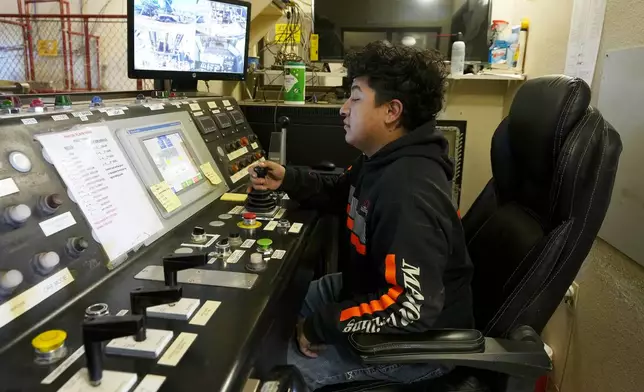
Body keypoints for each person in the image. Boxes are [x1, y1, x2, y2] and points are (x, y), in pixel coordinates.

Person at [248, 41, 474, 390]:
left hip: (414, 345)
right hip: (366, 288)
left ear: (391, 111)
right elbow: (341, 191)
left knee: (273, 374)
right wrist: (288, 178)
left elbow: (411, 306)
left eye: (355, 97)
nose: (342, 109)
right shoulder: (380, 160)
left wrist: (320, 325)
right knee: (270, 310)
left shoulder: (410, 191)